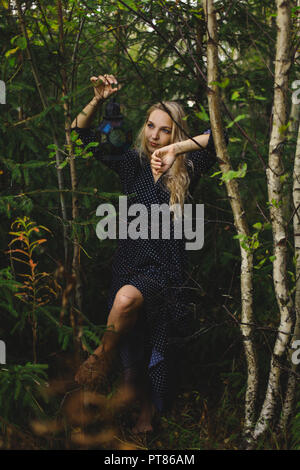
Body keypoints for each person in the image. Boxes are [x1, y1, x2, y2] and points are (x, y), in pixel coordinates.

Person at [71, 73, 218, 434]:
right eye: (151, 126)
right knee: (137, 340)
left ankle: (99, 358)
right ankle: (141, 415)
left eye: (165, 131)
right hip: (128, 263)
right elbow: (81, 134)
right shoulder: (132, 164)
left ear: (176, 134)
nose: (154, 136)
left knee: (138, 317)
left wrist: (176, 151)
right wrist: (97, 100)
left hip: (164, 271)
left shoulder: (187, 169)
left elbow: (220, 140)